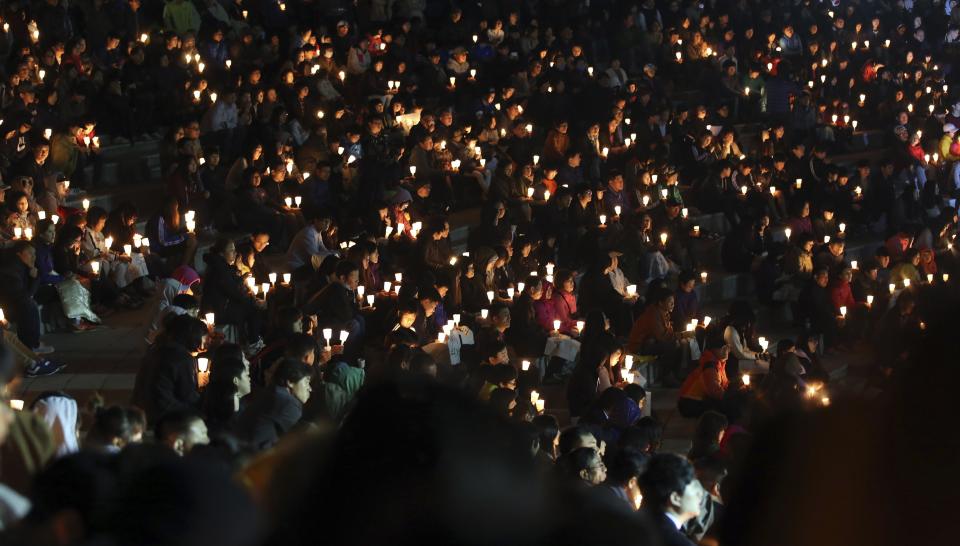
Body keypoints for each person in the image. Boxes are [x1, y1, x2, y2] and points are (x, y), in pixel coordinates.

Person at [235, 358, 311, 450]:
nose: (309, 388)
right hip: (254, 458)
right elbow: (302, 439)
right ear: (290, 382)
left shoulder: (272, 393)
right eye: (306, 382)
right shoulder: (287, 403)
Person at [638, 454, 705, 546]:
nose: (700, 493)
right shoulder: (678, 542)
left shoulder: (628, 524)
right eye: (693, 485)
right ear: (675, 498)